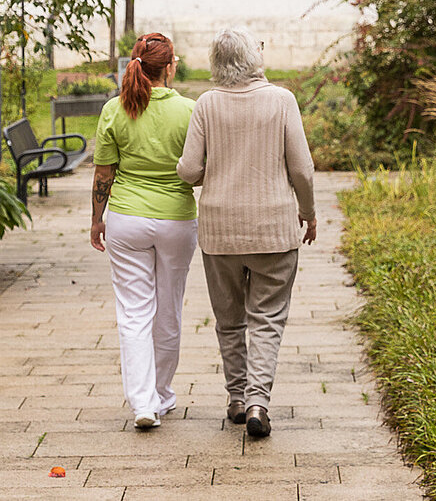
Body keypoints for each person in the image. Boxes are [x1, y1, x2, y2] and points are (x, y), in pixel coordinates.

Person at [176, 28, 316, 439]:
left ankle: (236, 398)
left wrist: (209, 172)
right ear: (253, 58)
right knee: (268, 319)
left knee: (229, 320)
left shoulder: (206, 104)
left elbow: (187, 169)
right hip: (273, 228)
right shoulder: (282, 100)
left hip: (220, 232)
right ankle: (258, 402)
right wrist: (307, 212)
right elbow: (302, 169)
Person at [89, 32, 197, 430]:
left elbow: (104, 172)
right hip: (176, 220)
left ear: (135, 64)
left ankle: (143, 402)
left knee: (134, 313)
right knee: (169, 310)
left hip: (126, 220)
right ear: (170, 67)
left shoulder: (115, 109)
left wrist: (97, 219)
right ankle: (163, 394)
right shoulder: (189, 110)